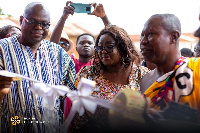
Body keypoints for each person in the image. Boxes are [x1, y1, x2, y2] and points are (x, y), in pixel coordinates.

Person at [0, 2, 76, 133]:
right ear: (21, 20)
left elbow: (72, 90)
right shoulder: (2, 49)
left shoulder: (58, 53)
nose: (38, 27)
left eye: (44, 24)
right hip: (14, 123)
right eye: (32, 21)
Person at [71, 25, 149, 132]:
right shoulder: (88, 74)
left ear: (122, 47)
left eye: (109, 46)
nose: (103, 51)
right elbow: (77, 114)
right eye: (99, 47)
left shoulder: (142, 74)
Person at [140, 14, 200, 112]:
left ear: (173, 37)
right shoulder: (145, 79)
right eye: (143, 35)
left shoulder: (195, 71)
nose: (143, 41)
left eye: (151, 34)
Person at [50, 1, 111, 74]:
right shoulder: (69, 62)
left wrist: (104, 17)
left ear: (95, 48)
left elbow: (117, 39)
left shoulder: (101, 63)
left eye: (90, 43)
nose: (86, 45)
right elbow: (53, 46)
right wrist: (63, 17)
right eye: (82, 43)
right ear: (76, 48)